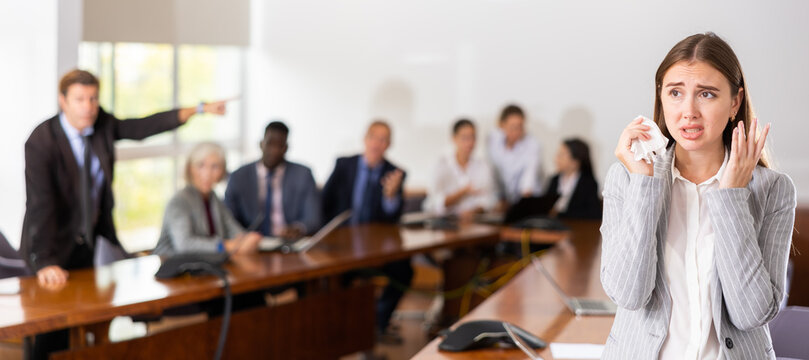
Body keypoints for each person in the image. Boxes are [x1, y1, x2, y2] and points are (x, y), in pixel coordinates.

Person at [600, 32, 795, 360]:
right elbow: (629, 295)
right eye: (675, 92)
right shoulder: (627, 177)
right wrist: (645, 186)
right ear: (660, 97)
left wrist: (731, 196)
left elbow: (751, 314)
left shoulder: (773, 189)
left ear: (735, 102)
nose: (688, 111)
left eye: (706, 94)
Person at [20, 69, 229, 359]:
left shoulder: (102, 124)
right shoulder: (42, 141)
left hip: (87, 245)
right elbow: (41, 205)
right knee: (51, 332)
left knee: (87, 324)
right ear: (63, 101)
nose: (88, 107)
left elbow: (143, 127)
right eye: (80, 99)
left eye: (93, 98)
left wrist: (200, 108)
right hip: (49, 247)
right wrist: (44, 261)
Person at [321, 120, 412, 343]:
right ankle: (338, 326)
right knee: (332, 277)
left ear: (389, 144)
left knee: (404, 271)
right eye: (374, 137)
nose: (377, 144)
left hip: (377, 248)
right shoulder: (344, 165)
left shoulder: (395, 173)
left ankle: (377, 322)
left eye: (383, 140)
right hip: (342, 243)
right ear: (365, 138)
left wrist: (391, 196)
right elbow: (325, 202)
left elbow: (394, 217)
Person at [154, 142, 262, 256]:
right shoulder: (179, 201)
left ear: (222, 171)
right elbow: (185, 244)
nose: (207, 174)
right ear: (190, 168)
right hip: (174, 268)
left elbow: (234, 231)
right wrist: (224, 245)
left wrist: (246, 238)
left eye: (215, 167)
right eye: (200, 165)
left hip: (205, 267)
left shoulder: (214, 199)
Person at [225, 121, 321, 239]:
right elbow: (228, 218)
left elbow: (313, 218)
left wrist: (298, 228)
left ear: (286, 148)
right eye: (270, 144)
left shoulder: (303, 174)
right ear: (261, 144)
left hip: (290, 243)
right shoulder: (239, 176)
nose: (274, 151)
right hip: (250, 243)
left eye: (280, 145)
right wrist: (244, 237)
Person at [424, 119, 496, 218]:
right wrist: (463, 192)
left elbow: (488, 199)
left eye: (473, 137)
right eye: (465, 138)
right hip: (445, 221)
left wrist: (473, 212)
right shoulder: (441, 165)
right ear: (454, 139)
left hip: (475, 220)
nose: (470, 143)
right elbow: (435, 202)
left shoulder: (482, 165)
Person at [487, 104, 543, 205]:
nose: (517, 132)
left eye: (520, 127)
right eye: (513, 127)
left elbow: (528, 178)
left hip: (527, 200)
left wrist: (522, 204)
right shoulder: (493, 140)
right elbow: (493, 173)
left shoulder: (532, 145)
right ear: (501, 125)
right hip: (504, 199)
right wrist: (500, 199)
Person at [544, 138, 602, 219]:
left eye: (561, 155)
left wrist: (559, 214)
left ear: (575, 162)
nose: (556, 159)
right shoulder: (554, 180)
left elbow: (593, 214)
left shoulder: (588, 184)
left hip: (577, 228)